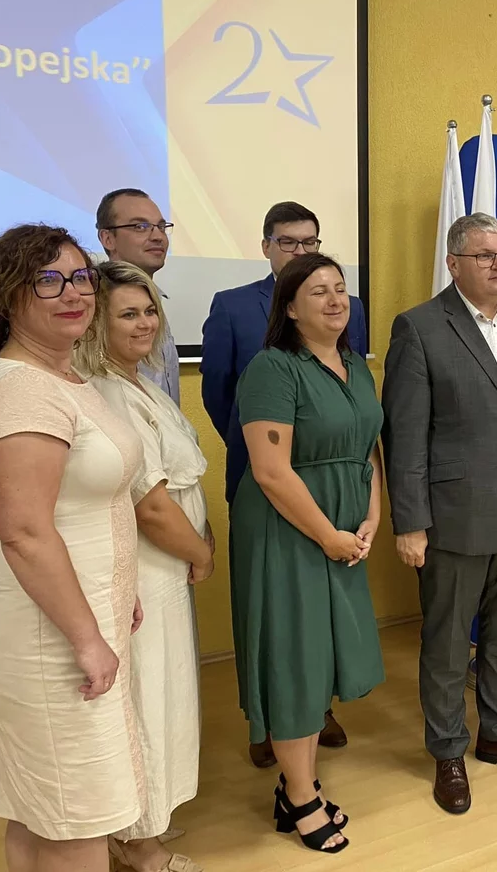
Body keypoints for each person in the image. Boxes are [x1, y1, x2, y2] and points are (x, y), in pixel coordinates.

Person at [0, 224, 144, 872]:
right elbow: (26, 532)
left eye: (81, 277)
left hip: (70, 618)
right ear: (8, 296)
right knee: (74, 821)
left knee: (43, 809)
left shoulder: (58, 378)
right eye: (48, 280)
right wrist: (88, 638)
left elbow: (89, 507)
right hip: (49, 639)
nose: (73, 293)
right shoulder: (24, 393)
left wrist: (120, 587)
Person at [382, 212, 497, 816]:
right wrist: (410, 522)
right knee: (446, 641)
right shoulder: (419, 327)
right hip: (454, 513)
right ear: (454, 263)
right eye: (484, 255)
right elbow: (405, 436)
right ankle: (448, 751)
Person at [231, 252, 384, 854]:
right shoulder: (272, 368)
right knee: (294, 659)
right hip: (288, 529)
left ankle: (300, 783)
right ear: (290, 308)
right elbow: (270, 471)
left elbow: (369, 449)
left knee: (319, 658)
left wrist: (373, 515)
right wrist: (328, 534)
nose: (335, 300)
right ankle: (299, 795)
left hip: (344, 530)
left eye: (340, 289)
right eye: (318, 291)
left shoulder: (357, 366)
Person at [200, 201, 362, 764]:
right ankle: (265, 724)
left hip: (336, 486)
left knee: (320, 614)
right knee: (271, 613)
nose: (300, 251)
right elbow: (219, 394)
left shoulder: (347, 307)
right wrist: (266, 453)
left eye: (310, 242)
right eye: (289, 242)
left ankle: (317, 710)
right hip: (266, 478)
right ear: (266, 245)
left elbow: (347, 384)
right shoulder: (232, 306)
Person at [76, 262, 210, 872]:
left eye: (150, 309)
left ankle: (144, 818)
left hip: (165, 568)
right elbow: (151, 506)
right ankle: (137, 842)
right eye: (127, 313)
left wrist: (198, 539)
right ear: (95, 324)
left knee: (163, 691)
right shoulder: (106, 391)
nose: (145, 323)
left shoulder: (138, 383)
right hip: (147, 569)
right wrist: (201, 552)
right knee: (147, 699)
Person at [96, 188, 180, 404]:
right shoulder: (92, 306)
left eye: (161, 227)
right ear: (108, 238)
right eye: (140, 227)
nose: (158, 236)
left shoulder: (154, 300)